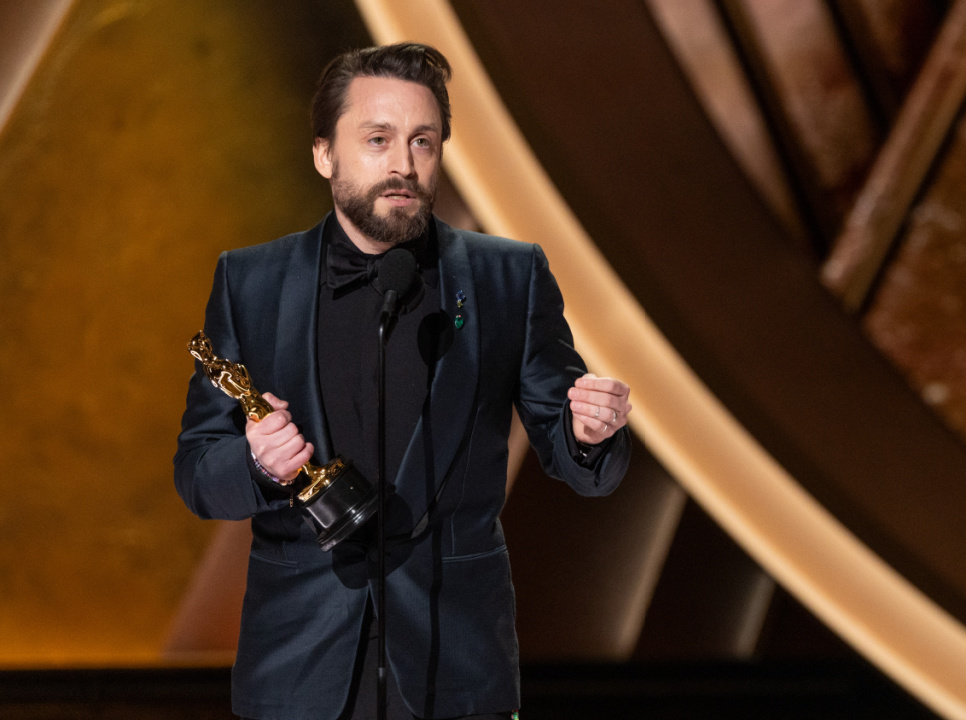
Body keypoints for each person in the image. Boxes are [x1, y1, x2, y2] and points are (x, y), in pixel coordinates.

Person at [174, 42, 632, 720]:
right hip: (299, 673)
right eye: (378, 139)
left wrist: (590, 432)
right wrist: (254, 464)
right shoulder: (252, 282)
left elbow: (576, 457)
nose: (403, 165)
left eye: (424, 141)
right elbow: (196, 472)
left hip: (456, 665)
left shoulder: (509, 277)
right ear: (324, 153)